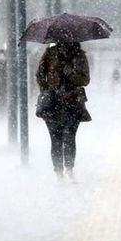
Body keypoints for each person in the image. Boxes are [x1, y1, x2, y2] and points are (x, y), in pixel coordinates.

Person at [36, 41, 91, 182]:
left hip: (72, 102)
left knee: (70, 138)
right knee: (56, 139)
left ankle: (69, 169)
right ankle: (59, 172)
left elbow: (85, 80)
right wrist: (47, 90)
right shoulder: (50, 54)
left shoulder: (79, 55)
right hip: (53, 103)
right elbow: (40, 75)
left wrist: (71, 73)